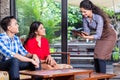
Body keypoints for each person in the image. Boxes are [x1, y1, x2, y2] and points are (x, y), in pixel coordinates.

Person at [78, 0, 117, 73]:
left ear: (90, 10)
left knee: (101, 56)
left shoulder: (98, 17)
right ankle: (98, 76)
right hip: (101, 36)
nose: (83, 14)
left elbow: (98, 36)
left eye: (84, 11)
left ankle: (102, 77)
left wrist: (87, 37)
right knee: (96, 56)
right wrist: (82, 34)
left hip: (109, 36)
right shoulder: (85, 18)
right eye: (82, 12)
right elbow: (87, 32)